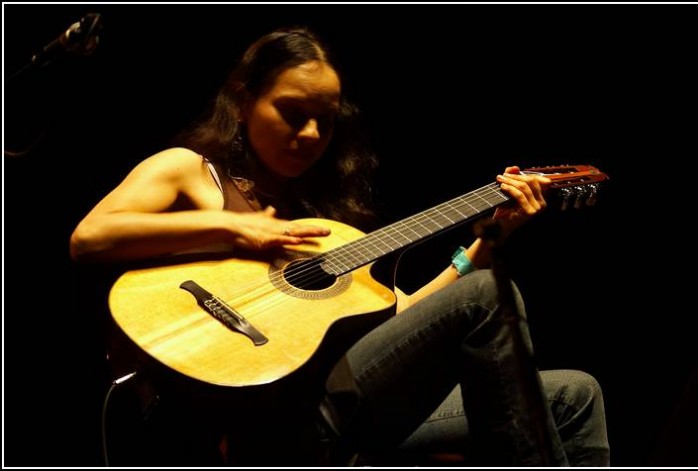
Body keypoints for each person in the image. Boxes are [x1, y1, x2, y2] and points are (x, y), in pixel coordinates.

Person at [70, 26, 609, 466]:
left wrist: (489, 239)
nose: (308, 134)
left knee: (575, 393)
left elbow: (406, 317)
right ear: (242, 100)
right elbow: (90, 238)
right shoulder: (190, 171)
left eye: (324, 122)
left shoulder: (324, 227)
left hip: (335, 404)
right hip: (263, 419)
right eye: (291, 112)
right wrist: (236, 229)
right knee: (493, 297)